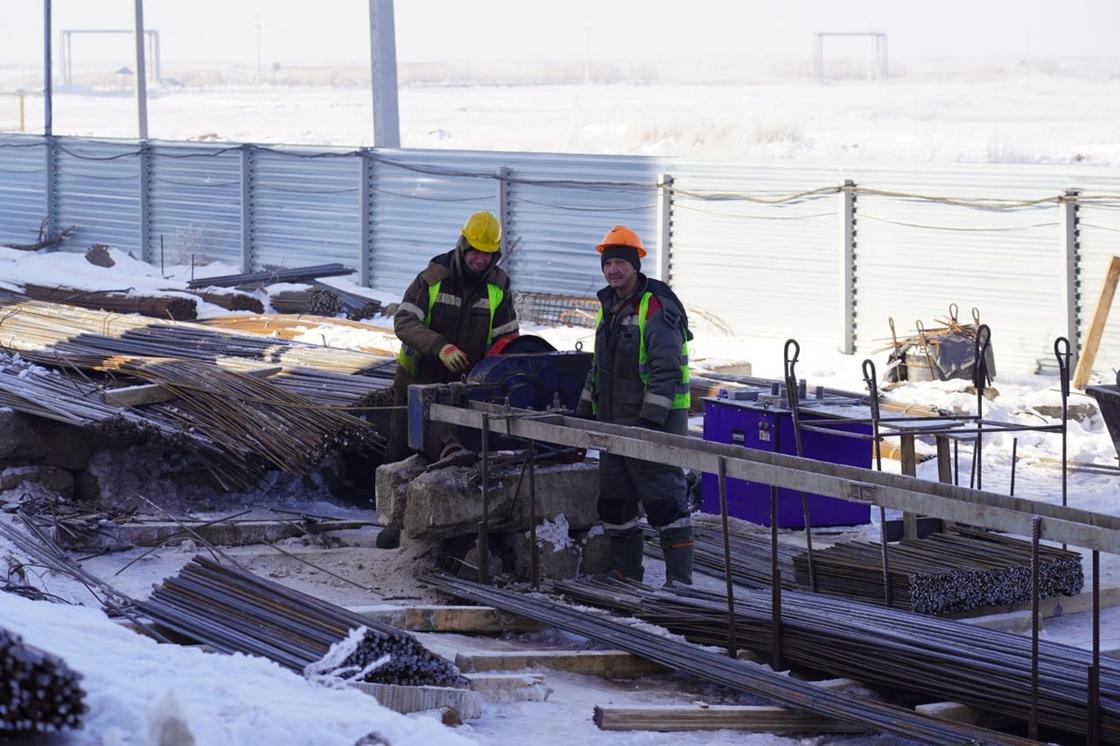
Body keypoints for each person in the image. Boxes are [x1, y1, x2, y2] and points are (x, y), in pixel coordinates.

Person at [378, 211, 518, 547]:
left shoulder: (499, 287)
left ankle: (451, 524)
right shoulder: (433, 277)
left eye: (486, 254)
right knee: (402, 444)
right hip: (418, 375)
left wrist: (494, 372)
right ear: (462, 245)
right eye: (474, 251)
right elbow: (405, 323)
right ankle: (391, 524)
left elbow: (508, 339)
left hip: (467, 379)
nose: (479, 259)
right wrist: (439, 347)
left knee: (459, 445)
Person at [575, 225, 694, 585]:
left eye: (619, 263)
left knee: (665, 503)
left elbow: (666, 367)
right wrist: (584, 412)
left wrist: (651, 420)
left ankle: (680, 583)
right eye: (607, 263)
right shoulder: (608, 307)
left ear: (635, 265)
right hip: (614, 423)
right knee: (615, 502)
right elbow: (600, 367)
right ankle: (627, 575)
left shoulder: (655, 305)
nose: (613, 270)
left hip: (653, 424)